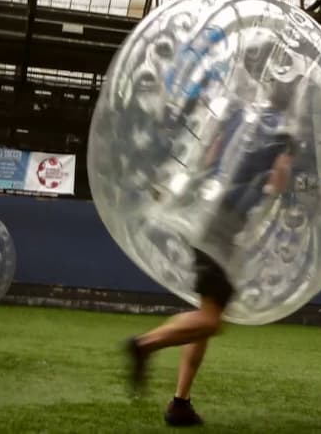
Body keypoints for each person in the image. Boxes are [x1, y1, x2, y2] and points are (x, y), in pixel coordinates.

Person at [126, 76, 297, 427]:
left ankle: (180, 403)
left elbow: (211, 154)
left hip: (208, 214)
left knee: (206, 316)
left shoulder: (241, 115)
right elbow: (279, 181)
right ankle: (144, 344)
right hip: (227, 224)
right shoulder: (285, 133)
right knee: (210, 322)